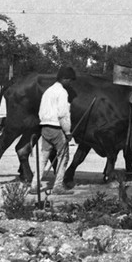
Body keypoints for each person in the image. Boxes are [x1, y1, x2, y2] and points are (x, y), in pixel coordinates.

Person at [37, 65, 75, 194]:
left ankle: (34, 185)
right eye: (69, 80)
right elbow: (63, 114)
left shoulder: (48, 91)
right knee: (63, 157)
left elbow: (41, 111)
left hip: (44, 126)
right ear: (64, 79)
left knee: (43, 157)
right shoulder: (62, 92)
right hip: (57, 128)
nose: (70, 83)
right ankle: (58, 186)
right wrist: (68, 131)